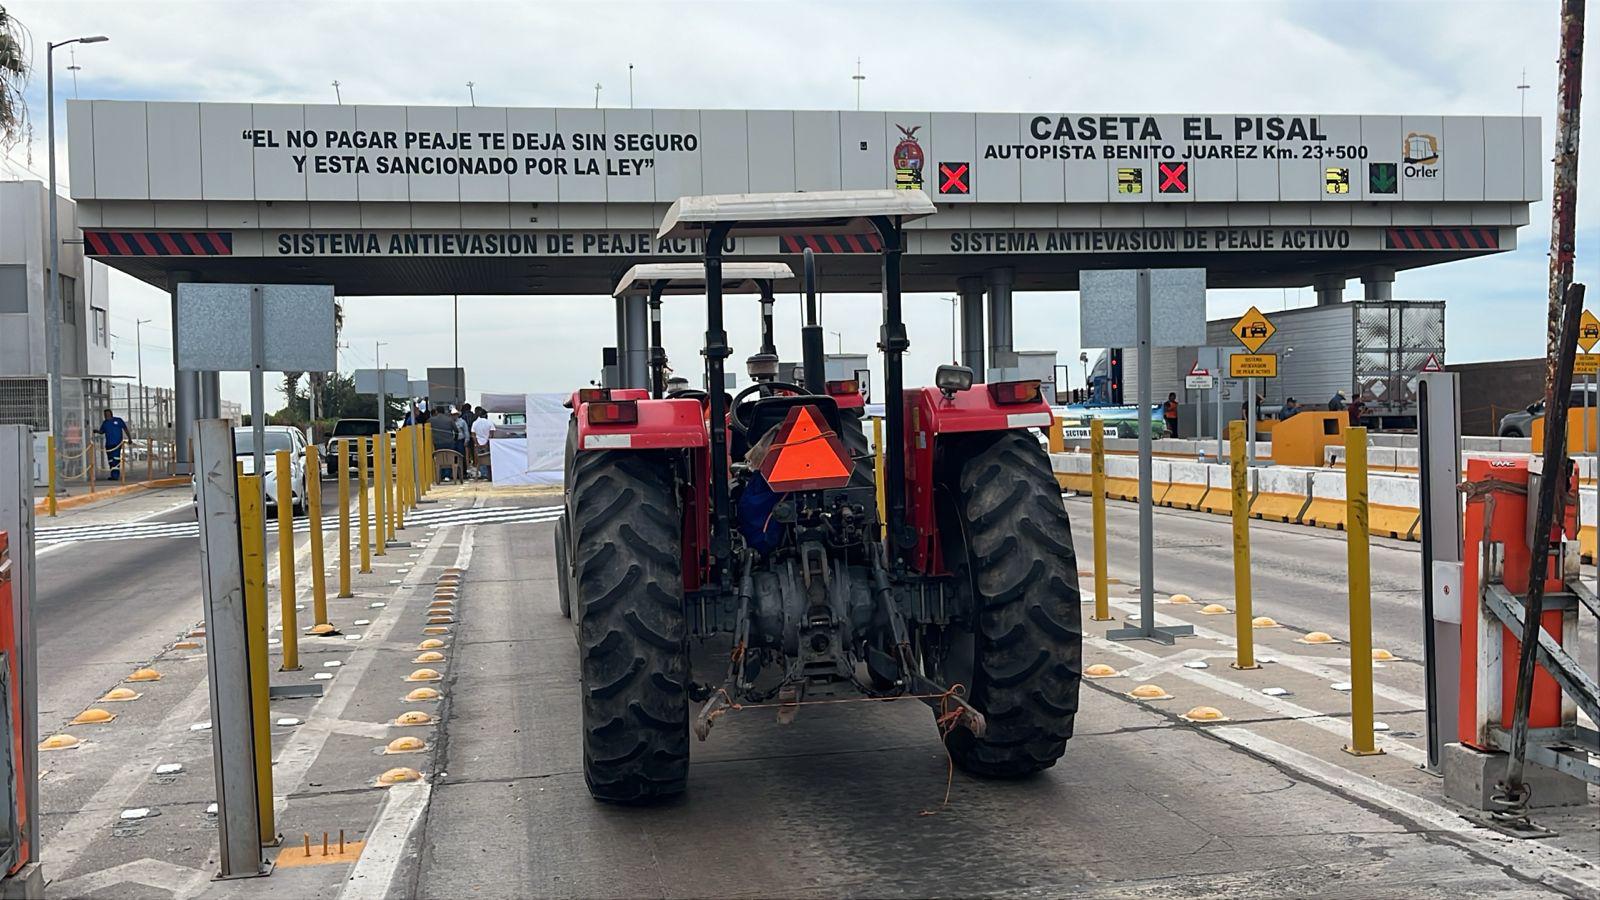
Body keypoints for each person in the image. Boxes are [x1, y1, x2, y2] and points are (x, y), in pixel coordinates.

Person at [94, 408, 132, 481]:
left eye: (108, 414)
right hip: (109, 444)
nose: (106, 415)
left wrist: (129, 438)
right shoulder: (105, 423)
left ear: (111, 413)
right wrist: (97, 431)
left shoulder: (118, 420)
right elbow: (102, 431)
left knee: (116, 459)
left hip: (117, 444)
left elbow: (125, 429)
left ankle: (115, 475)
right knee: (111, 460)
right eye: (105, 414)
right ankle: (113, 474)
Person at [428, 405, 455, 481]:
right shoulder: (449, 420)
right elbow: (456, 430)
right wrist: (454, 439)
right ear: (444, 411)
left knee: (439, 458)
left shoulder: (431, 420)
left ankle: (440, 475)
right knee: (449, 458)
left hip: (437, 442)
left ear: (436, 411)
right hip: (449, 442)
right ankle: (447, 475)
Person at [471, 406, 492, 480]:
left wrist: (477, 443)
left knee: (480, 459)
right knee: (488, 459)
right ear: (486, 415)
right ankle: (489, 475)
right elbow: (492, 433)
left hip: (478, 444)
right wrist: (487, 442)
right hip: (487, 444)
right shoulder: (489, 422)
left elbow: (473, 434)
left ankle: (483, 474)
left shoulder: (475, 423)